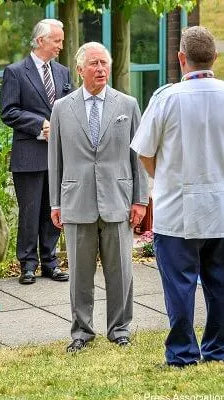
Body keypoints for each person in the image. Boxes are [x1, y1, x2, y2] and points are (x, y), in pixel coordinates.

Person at [131, 26, 224, 367]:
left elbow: (143, 151)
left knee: (179, 285)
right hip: (221, 207)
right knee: (221, 283)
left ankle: (183, 352)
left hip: (177, 209)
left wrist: (164, 176)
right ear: (213, 58)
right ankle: (218, 348)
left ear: (181, 58)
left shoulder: (166, 98)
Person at [48, 42, 149, 352]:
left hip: (118, 199)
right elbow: (56, 159)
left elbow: (139, 157)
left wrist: (140, 199)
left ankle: (120, 329)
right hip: (76, 200)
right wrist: (55, 202)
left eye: (104, 62)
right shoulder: (62, 108)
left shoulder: (128, 104)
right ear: (80, 70)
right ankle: (81, 332)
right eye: (93, 63)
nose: (101, 69)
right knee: (79, 274)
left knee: (121, 272)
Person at [0, 19, 71, 285]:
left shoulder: (63, 73)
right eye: (57, 41)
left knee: (53, 210)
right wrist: (38, 124)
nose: (61, 47)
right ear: (41, 41)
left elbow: (71, 105)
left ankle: (50, 263)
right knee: (29, 212)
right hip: (29, 154)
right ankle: (27, 265)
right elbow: (8, 111)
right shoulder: (16, 72)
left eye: (62, 41)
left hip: (57, 155)